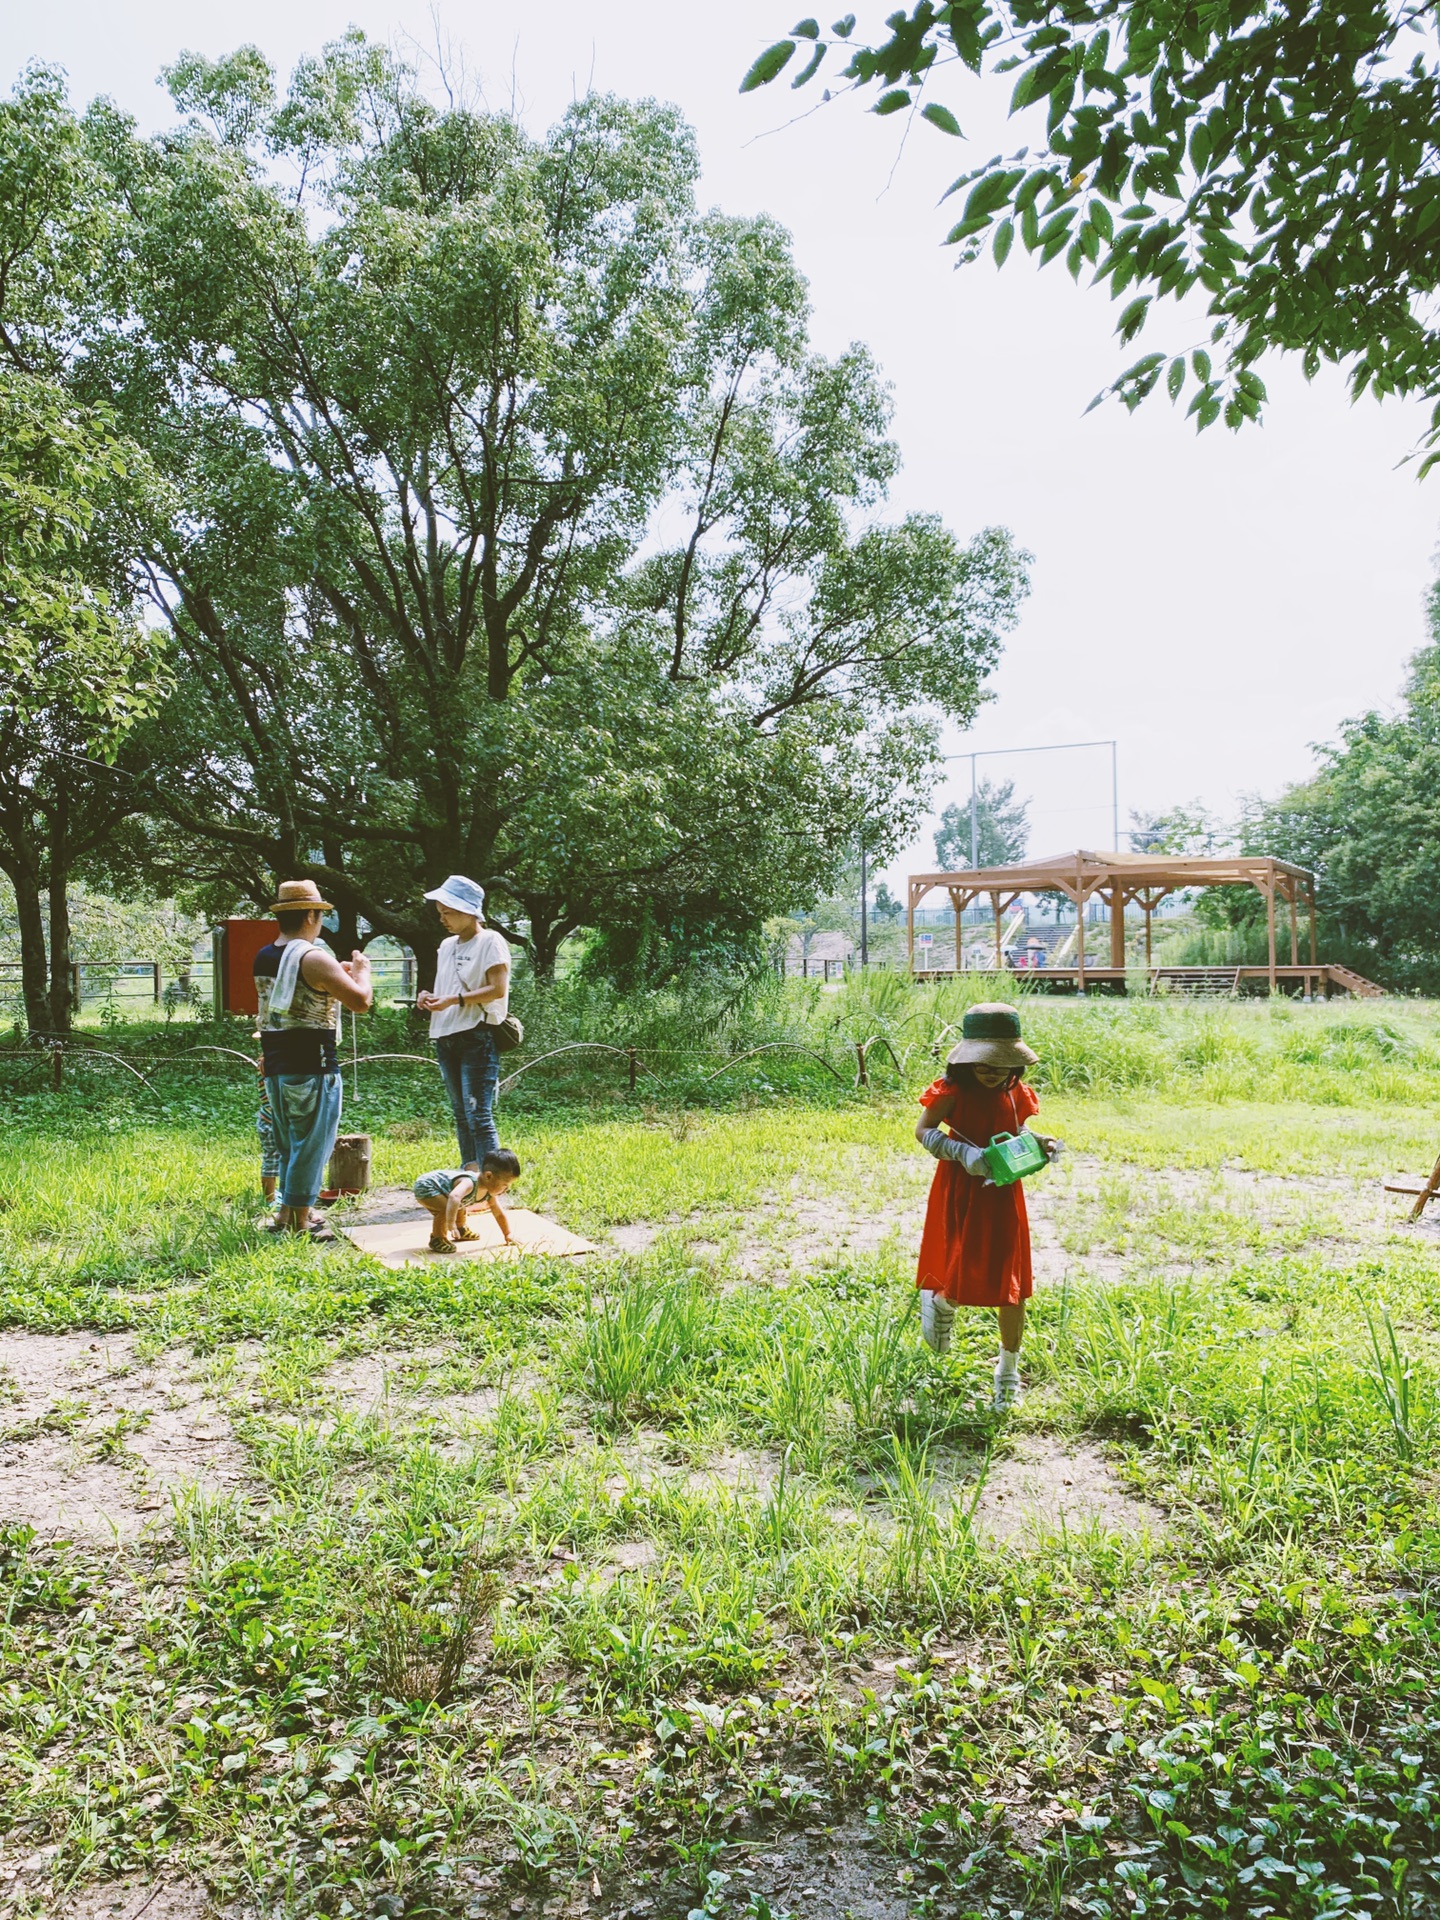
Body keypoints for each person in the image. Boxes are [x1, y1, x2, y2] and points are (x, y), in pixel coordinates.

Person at [912, 1002, 1062, 1410]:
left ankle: (1008, 1371)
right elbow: (923, 1131)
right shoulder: (952, 1091)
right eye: (983, 1063)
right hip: (961, 1187)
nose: (991, 1071)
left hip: (1003, 1190)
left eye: (1000, 1063)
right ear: (967, 1059)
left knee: (1011, 1283)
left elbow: (1019, 1131)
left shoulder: (1017, 1093)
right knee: (962, 1262)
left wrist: (1040, 1143)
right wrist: (961, 1152)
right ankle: (942, 1301)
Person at [254, 879, 373, 1238]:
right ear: (310, 914)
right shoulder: (312, 957)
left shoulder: (266, 955)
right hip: (313, 1065)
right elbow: (360, 1001)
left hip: (276, 1064)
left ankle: (285, 1215)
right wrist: (362, 970)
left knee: (290, 1143)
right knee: (312, 1144)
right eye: (319, 915)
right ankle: (302, 1218)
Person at [417, 876, 512, 1168]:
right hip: (445, 1033)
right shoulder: (446, 945)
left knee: (478, 1114)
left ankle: (491, 1181)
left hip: (476, 1034)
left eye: (449, 912)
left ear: (469, 911)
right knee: (461, 1113)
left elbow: (498, 989)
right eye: (440, 913)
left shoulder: (491, 940)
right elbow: (446, 988)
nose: (443, 919)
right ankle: (470, 1175)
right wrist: (429, 997)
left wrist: (455, 1000)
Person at [412, 1149, 522, 1254]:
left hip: (443, 1190)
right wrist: (451, 1223)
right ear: (489, 1176)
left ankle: (461, 1229)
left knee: (459, 1205)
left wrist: (508, 1234)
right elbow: (454, 1196)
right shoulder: (470, 1182)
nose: (506, 1189)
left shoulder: (489, 1192)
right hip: (427, 1186)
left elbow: (498, 1214)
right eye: (505, 1185)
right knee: (446, 1209)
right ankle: (438, 1238)